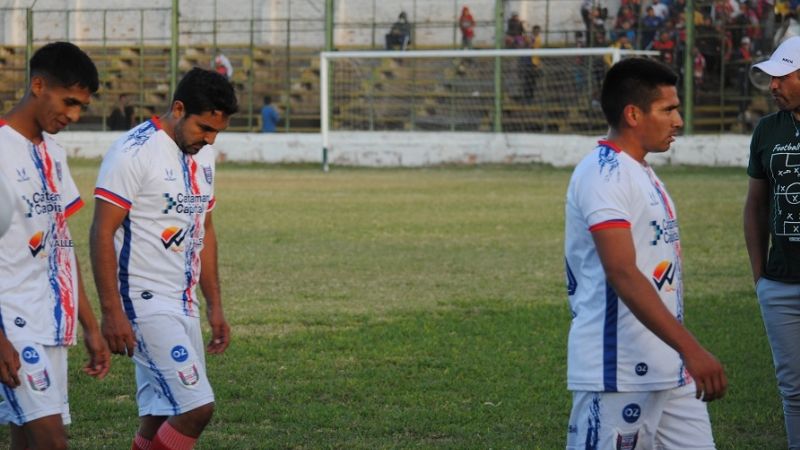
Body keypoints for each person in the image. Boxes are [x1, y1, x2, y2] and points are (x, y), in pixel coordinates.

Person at [564, 57, 727, 449]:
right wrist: (692, 348)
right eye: (668, 109)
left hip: (670, 369)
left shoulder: (641, 171)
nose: (679, 121)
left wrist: (681, 353)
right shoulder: (603, 174)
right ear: (633, 114)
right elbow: (621, 271)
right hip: (618, 371)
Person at [89, 67, 236, 450]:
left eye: (217, 132)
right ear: (178, 108)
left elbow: (206, 230)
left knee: (158, 415)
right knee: (197, 408)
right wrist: (112, 311)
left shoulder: (204, 155)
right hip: (143, 301)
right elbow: (101, 232)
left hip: (182, 302)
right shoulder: (133, 152)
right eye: (204, 128)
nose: (209, 140)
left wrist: (214, 305)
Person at [0, 41, 110, 449]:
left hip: (52, 322)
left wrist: (91, 325)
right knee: (52, 442)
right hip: (12, 322)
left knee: (27, 441)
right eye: (68, 102)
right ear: (38, 85)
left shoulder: (55, 155)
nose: (74, 115)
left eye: (81, 106)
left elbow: (61, 246)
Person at [745, 35, 800, 450]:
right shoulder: (767, 130)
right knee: (793, 392)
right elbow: (755, 206)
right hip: (780, 284)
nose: (774, 86)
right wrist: (760, 276)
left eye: (783, 76)